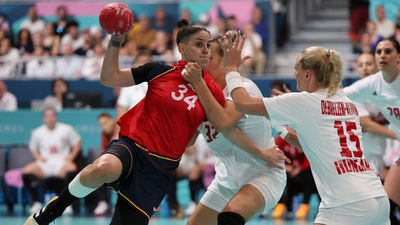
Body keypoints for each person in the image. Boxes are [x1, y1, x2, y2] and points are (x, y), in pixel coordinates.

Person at [24, 19, 286, 225]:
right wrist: (115, 42)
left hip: (165, 169)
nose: (205, 54)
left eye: (210, 51)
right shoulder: (164, 71)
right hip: (136, 148)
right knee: (100, 168)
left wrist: (265, 148)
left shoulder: (218, 93)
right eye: (200, 45)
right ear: (182, 48)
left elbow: (226, 126)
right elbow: (110, 77)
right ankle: (51, 211)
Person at [224, 32, 389, 225]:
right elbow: (314, 146)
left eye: (296, 68)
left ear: (308, 73)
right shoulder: (346, 102)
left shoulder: (304, 101)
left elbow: (242, 103)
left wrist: (231, 69)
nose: (294, 73)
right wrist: (281, 123)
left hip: (347, 203)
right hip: (377, 197)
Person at [182, 33, 292, 225]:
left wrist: (198, 84)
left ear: (226, 61)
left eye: (210, 57)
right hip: (226, 180)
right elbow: (189, 140)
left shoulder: (243, 89)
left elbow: (223, 121)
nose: (203, 62)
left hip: (263, 175)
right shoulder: (202, 94)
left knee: (229, 219)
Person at [343, 38, 400, 225]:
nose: (382, 55)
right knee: (386, 210)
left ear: (398, 56)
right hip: (370, 157)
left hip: (377, 155)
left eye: (388, 51)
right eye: (379, 51)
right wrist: (300, 99)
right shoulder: (372, 84)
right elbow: (338, 95)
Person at [22, 107, 81, 214]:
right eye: (47, 116)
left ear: (56, 117)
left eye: (52, 116)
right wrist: (39, 158)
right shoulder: (37, 132)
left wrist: (71, 157)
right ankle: (36, 202)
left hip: (61, 163)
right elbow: (33, 148)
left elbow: (78, 142)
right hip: (45, 164)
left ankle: (66, 204)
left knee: (71, 168)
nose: (50, 119)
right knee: (28, 170)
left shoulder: (66, 129)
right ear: (43, 118)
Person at [353, 53, 398, 177]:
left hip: (390, 152)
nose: (365, 68)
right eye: (361, 65)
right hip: (368, 155)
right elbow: (367, 125)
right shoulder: (354, 93)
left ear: (378, 66)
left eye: (368, 64)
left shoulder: (389, 91)